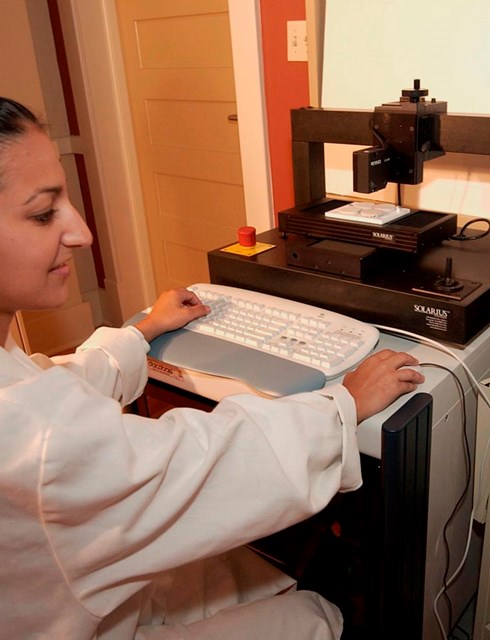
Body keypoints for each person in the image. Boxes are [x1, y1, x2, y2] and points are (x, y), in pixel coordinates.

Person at [0, 96, 424, 639]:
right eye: (42, 212)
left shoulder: (20, 391)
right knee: (317, 616)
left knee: (238, 575)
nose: (81, 233)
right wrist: (343, 405)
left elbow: (49, 390)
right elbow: (201, 465)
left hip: (50, 595)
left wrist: (141, 333)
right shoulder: (33, 435)